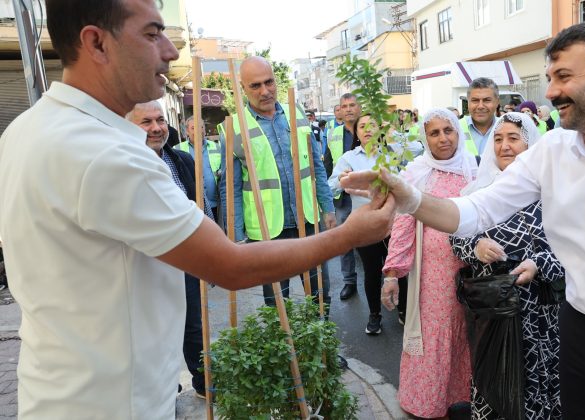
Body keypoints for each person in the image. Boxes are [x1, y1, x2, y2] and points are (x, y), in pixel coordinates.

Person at [0, 1, 396, 417]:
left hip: (58, 392)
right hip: (114, 404)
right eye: (152, 34)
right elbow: (230, 266)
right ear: (97, 43)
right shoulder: (108, 155)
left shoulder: (27, 129)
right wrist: (351, 234)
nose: (170, 52)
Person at [342, 18, 585, 419]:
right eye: (550, 77)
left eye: (563, 76)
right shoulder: (553, 151)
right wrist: (408, 196)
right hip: (579, 336)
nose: (550, 92)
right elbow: (476, 210)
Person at [451, 112, 565, 419]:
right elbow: (455, 237)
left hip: (537, 315)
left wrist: (539, 263)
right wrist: (474, 246)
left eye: (514, 138)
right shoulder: (479, 192)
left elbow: (572, 252)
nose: (505, 146)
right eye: (498, 139)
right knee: (493, 383)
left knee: (535, 386)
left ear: (531, 147)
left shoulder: (551, 195)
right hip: (492, 313)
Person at [380, 108, 476, 419]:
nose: (443, 138)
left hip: (471, 271)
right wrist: (392, 274)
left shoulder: (472, 168)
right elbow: (404, 225)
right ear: (425, 138)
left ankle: (460, 397)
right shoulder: (417, 172)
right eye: (434, 133)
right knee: (435, 334)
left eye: (448, 130)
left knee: (467, 333)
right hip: (433, 277)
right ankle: (428, 404)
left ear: (458, 133)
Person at [220, 56, 335, 307]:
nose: (265, 91)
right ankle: (285, 345)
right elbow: (231, 188)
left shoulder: (297, 114)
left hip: (307, 219)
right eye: (255, 86)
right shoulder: (234, 127)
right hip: (267, 230)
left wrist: (328, 207)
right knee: (276, 303)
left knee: (320, 295)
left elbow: (315, 166)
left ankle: (319, 347)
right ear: (243, 88)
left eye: (269, 82)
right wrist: (236, 235)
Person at [127, 100, 213, 399]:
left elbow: (201, 209)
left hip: (186, 259)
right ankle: (165, 390)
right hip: (148, 263)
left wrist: (211, 254)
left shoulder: (182, 160)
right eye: (146, 122)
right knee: (154, 330)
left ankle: (204, 383)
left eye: (160, 120)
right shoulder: (126, 165)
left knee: (193, 324)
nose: (156, 128)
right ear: (130, 126)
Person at [328, 114, 409, 334]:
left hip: (396, 222)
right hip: (365, 225)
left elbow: (418, 149)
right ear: (356, 133)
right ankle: (375, 315)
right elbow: (332, 184)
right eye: (361, 126)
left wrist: (393, 133)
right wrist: (342, 178)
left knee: (398, 269)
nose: (366, 130)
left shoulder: (392, 152)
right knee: (372, 272)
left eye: (372, 125)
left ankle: (403, 310)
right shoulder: (349, 158)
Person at [325, 93, 361, 300]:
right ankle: (349, 281)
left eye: (352, 105)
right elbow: (328, 164)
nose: (348, 109)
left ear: (360, 107)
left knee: (374, 239)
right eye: (344, 106)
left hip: (368, 196)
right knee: (344, 241)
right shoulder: (333, 134)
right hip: (343, 198)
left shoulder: (371, 129)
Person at [177, 115, 221, 221]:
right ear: (187, 131)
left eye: (201, 127)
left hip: (215, 203)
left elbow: (223, 169)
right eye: (193, 128)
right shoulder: (177, 150)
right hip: (190, 205)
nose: (198, 130)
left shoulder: (217, 147)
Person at [462, 77, 499, 156]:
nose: (480, 106)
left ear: (497, 102)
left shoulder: (507, 127)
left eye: (487, 100)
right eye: (475, 100)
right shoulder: (455, 128)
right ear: (468, 102)